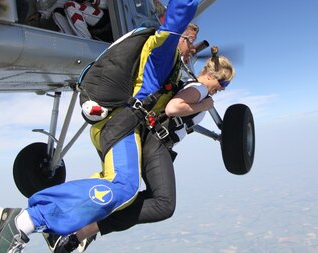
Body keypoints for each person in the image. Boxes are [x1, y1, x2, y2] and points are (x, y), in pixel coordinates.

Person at [0, 0, 222, 253]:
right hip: (119, 124)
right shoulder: (161, 52)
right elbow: (174, 21)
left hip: (120, 125)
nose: (193, 48)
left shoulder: (167, 68)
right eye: (190, 41)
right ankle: (22, 222)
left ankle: (64, 227)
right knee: (124, 187)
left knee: (121, 191)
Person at [47, 54, 235, 253]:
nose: (222, 88)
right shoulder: (199, 89)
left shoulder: (193, 87)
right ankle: (80, 230)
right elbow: (173, 108)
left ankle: (74, 225)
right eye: (223, 82)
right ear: (211, 74)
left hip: (156, 143)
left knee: (140, 197)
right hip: (157, 144)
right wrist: (204, 105)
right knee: (164, 204)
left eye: (226, 85)